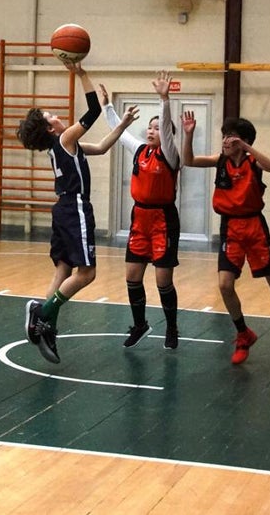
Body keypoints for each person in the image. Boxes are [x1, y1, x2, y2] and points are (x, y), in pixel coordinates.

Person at [17, 59, 138, 364]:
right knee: (88, 273)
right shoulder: (65, 139)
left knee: (63, 270)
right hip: (75, 208)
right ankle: (41, 313)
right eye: (52, 116)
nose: (58, 117)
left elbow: (102, 147)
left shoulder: (65, 146)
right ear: (50, 127)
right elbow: (93, 112)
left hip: (63, 210)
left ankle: (47, 328)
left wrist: (122, 126)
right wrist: (82, 74)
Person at [181, 112, 270, 365]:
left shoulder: (253, 163)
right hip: (231, 227)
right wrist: (188, 134)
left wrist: (246, 147)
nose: (224, 142)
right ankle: (243, 333)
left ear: (242, 141)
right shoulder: (219, 161)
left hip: (254, 226)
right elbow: (188, 160)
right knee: (225, 285)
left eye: (229, 138)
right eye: (224, 137)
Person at [101, 71, 182, 350]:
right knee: (132, 276)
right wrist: (106, 106)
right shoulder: (139, 151)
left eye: (157, 128)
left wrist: (164, 99)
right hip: (140, 219)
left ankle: (172, 328)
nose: (151, 131)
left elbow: (169, 134)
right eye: (150, 127)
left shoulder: (170, 154)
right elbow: (119, 132)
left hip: (163, 220)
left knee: (163, 280)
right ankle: (140, 324)